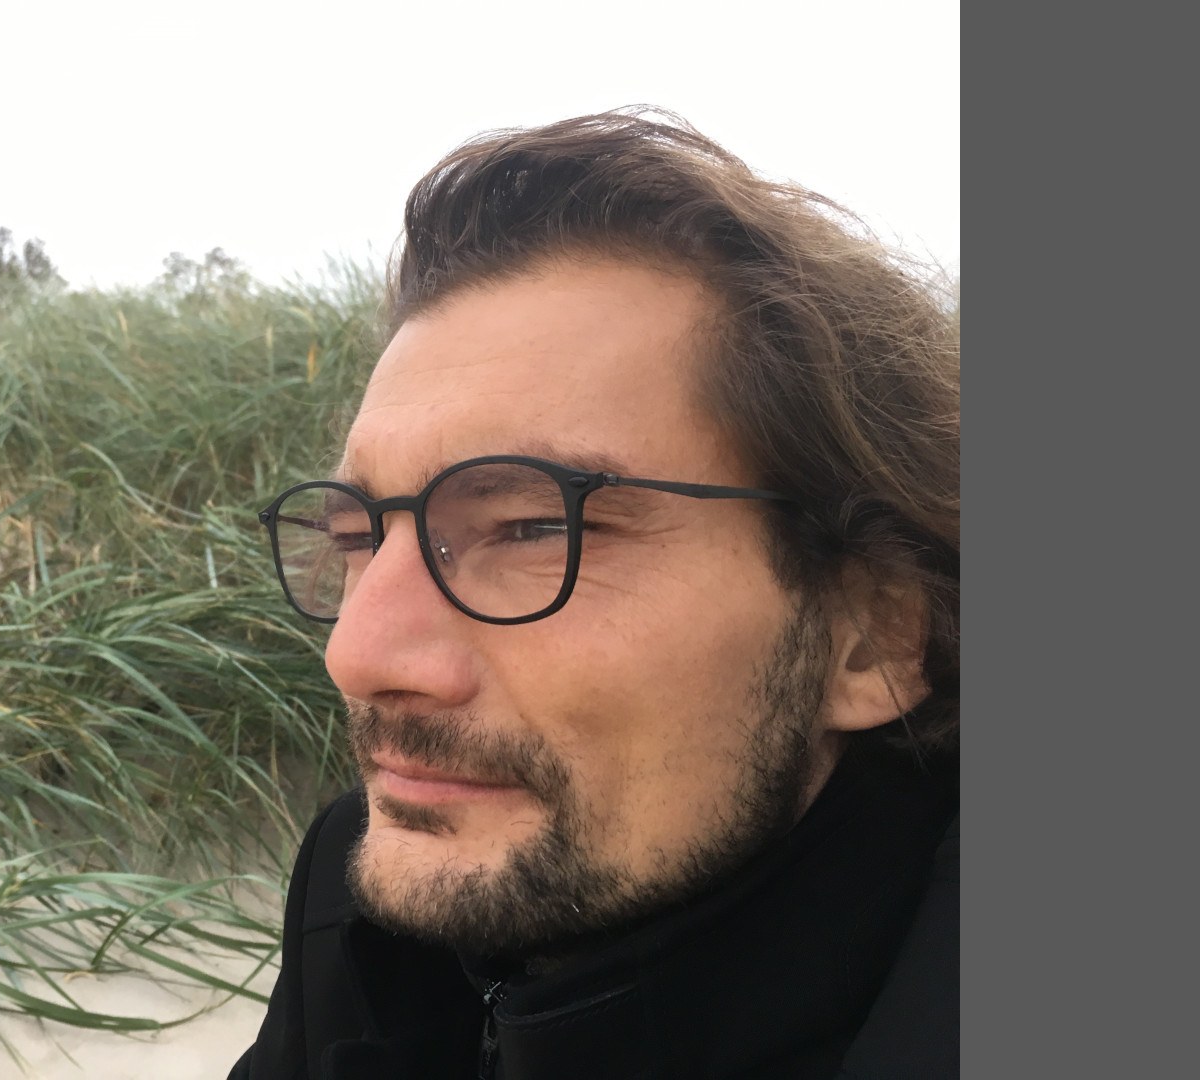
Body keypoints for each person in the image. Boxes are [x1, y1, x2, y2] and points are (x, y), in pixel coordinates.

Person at [230, 109, 959, 1080]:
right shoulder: (364, 888)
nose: (356, 655)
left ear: (873, 635)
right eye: (360, 535)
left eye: (532, 528)